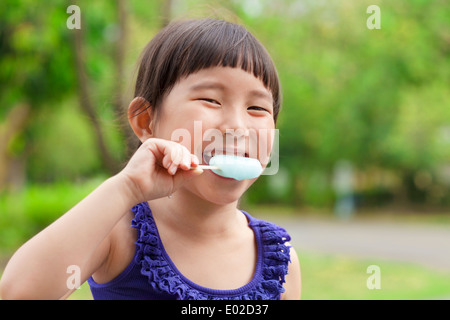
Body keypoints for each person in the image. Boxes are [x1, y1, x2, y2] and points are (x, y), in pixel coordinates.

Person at [0, 18, 301, 300]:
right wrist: (126, 188)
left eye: (257, 108)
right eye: (210, 99)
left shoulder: (279, 258)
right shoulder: (120, 232)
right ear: (145, 122)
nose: (237, 126)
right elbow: (17, 293)